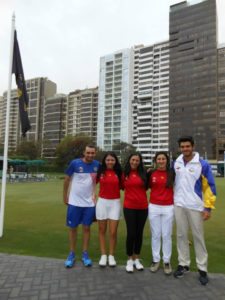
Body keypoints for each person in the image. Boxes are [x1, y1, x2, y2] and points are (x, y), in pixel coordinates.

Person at [173, 136, 216, 285]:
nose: (185, 149)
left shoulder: (202, 164)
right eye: (182, 146)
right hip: (179, 205)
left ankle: (202, 269)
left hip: (196, 206)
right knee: (181, 235)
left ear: (193, 146)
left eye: (187, 146)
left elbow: (209, 186)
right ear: (179, 148)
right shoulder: (176, 163)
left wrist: (208, 208)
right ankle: (183, 264)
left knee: (198, 237)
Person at [63, 145, 99, 268]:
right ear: (84, 152)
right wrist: (64, 196)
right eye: (88, 152)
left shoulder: (98, 165)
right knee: (73, 228)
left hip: (89, 203)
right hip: (74, 202)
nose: (90, 155)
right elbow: (66, 179)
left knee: (86, 228)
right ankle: (72, 254)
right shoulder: (74, 163)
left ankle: (85, 254)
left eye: (92, 153)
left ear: (95, 153)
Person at [148, 152, 174, 275]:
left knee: (166, 235)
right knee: (156, 235)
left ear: (166, 161)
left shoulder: (172, 173)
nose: (161, 161)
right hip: (154, 207)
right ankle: (156, 259)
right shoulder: (151, 173)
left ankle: (167, 261)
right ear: (156, 161)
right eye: (159, 159)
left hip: (168, 207)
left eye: (163, 159)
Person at [122, 153, 148, 273]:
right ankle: (129, 259)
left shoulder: (144, 174)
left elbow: (147, 186)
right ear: (129, 160)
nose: (135, 162)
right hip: (129, 207)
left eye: (137, 160)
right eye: (133, 160)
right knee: (131, 233)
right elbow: (120, 186)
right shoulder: (124, 174)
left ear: (140, 162)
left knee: (139, 233)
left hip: (142, 207)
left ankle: (136, 258)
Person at [96, 152, 122, 267]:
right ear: (104, 161)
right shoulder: (100, 172)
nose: (110, 162)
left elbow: (126, 185)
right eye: (108, 160)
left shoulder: (119, 173)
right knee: (102, 230)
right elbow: (91, 183)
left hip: (115, 203)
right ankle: (103, 255)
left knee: (113, 232)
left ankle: (111, 255)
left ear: (115, 161)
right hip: (102, 202)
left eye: (112, 160)